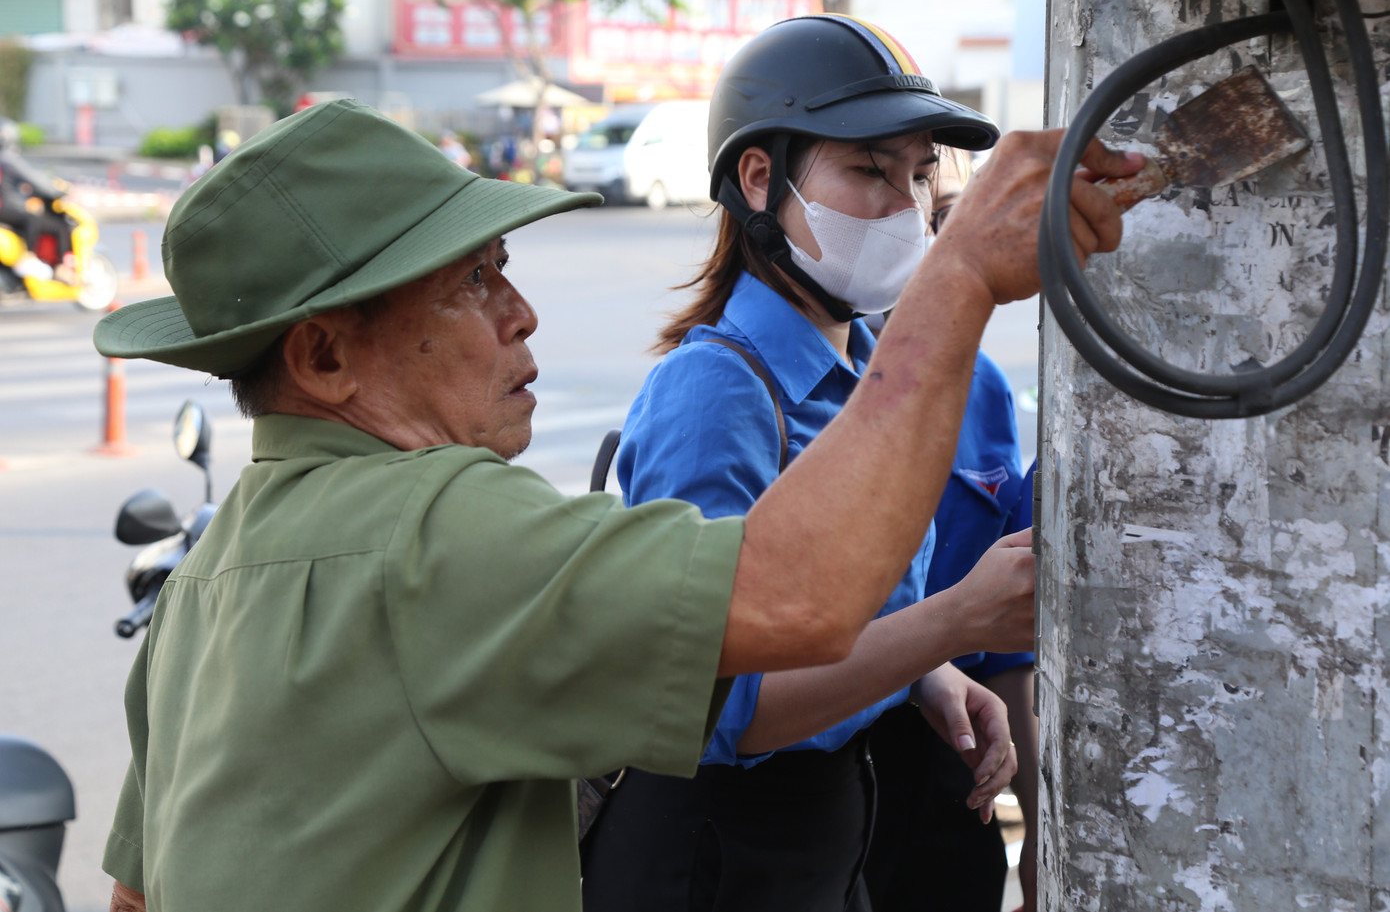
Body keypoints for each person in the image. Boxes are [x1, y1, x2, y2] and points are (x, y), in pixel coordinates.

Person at [94, 93, 1137, 911]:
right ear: (322, 355)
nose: (522, 313)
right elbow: (798, 602)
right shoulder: (433, 530)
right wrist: (955, 280)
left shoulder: (205, 578)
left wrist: (925, 667)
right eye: (472, 284)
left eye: (504, 270)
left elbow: (138, 892)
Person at [580, 15, 1046, 912]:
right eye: (869, 170)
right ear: (760, 178)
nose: (907, 209)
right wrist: (951, 623)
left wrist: (924, 676)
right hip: (716, 855)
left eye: (919, 175)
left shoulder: (876, 368)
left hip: (831, 838)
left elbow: (842, 619)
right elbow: (728, 705)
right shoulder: (714, 392)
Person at [863, 147, 1041, 912]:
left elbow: (1009, 656)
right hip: (829, 765)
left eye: (949, 219)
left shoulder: (984, 388)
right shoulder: (768, 387)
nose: (931, 245)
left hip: (956, 771)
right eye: (919, 216)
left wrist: (1039, 835)